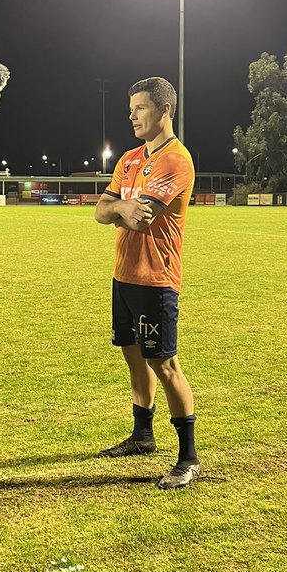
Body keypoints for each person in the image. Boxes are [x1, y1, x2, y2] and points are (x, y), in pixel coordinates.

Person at [94, 77, 200, 489]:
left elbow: (141, 219)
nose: (132, 116)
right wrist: (121, 207)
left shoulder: (175, 160)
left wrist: (118, 209)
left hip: (156, 279)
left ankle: (188, 457)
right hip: (124, 275)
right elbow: (101, 212)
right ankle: (142, 436)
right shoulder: (130, 158)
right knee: (133, 356)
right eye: (131, 108)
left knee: (164, 364)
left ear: (164, 109)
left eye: (140, 108)